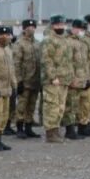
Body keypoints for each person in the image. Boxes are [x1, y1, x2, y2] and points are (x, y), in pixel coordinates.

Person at [39, 15, 72, 143]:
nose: (60, 27)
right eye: (57, 25)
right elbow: (46, 60)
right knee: (51, 106)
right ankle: (50, 133)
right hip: (53, 80)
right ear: (52, 25)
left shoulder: (64, 39)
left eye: (62, 25)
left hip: (64, 79)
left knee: (60, 107)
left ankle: (56, 130)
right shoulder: (49, 40)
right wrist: (53, 77)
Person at [12, 19, 41, 138]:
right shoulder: (19, 44)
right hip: (24, 80)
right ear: (24, 29)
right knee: (22, 105)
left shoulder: (37, 43)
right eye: (29, 27)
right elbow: (16, 64)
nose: (31, 29)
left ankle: (29, 126)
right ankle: (19, 127)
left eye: (33, 27)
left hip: (35, 80)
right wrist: (19, 81)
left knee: (32, 105)